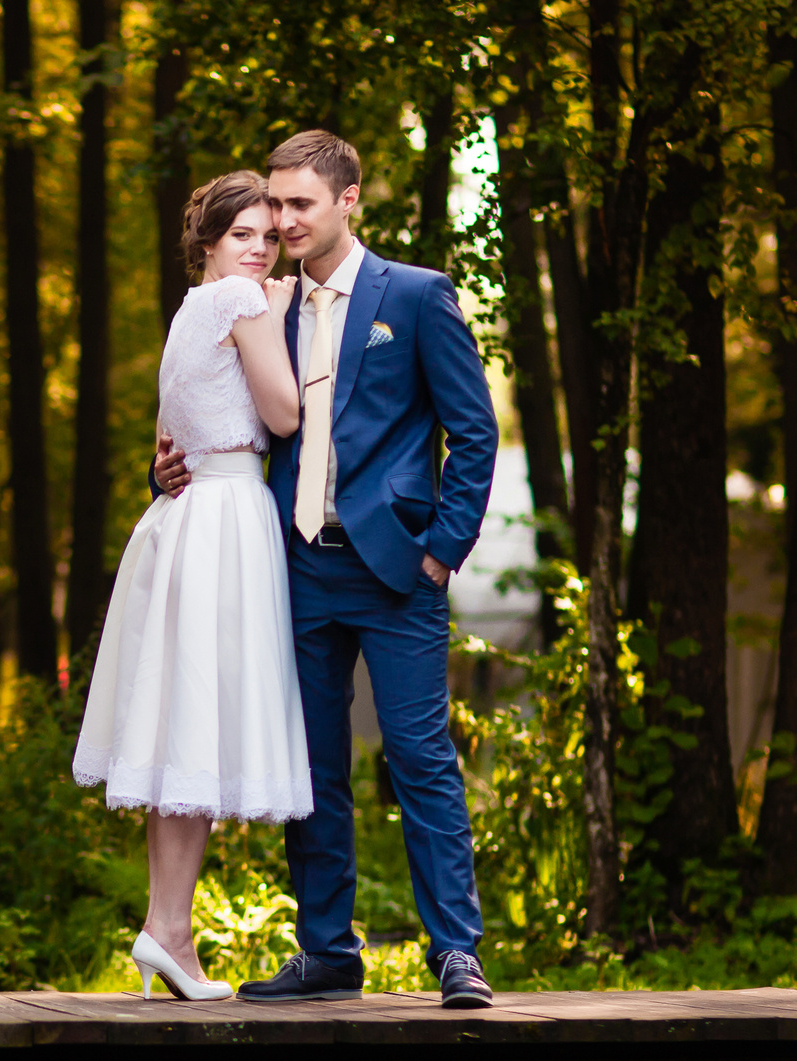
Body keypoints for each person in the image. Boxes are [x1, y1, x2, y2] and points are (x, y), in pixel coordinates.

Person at [152, 131, 499, 1009]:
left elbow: (475, 430)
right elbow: (209, 406)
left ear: (349, 201)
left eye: (301, 205)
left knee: (421, 760)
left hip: (396, 573)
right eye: (275, 205)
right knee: (310, 769)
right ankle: (326, 951)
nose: (283, 221)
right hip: (293, 567)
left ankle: (456, 952)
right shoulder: (257, 300)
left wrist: (439, 553)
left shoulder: (416, 297)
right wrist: (158, 469)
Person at [73, 171, 312, 1001]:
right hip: (223, 521)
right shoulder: (243, 305)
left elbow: (166, 436)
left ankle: (165, 929)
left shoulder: (187, 311)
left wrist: (165, 465)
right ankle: (169, 930)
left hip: (188, 516)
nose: (259, 248)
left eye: (267, 237)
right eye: (242, 235)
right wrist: (280, 318)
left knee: (186, 730)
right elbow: (284, 416)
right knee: (197, 727)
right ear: (208, 243)